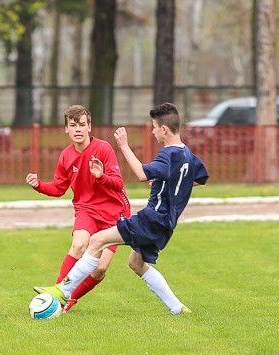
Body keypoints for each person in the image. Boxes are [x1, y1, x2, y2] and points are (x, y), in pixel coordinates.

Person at [36, 102, 208, 315]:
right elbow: (200, 178)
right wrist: (169, 184)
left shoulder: (167, 155)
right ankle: (178, 308)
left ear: (164, 129)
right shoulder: (188, 155)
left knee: (97, 241)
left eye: (154, 127)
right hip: (167, 224)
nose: (153, 132)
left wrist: (124, 145)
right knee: (136, 263)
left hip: (152, 218)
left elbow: (141, 174)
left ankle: (62, 291)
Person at [26, 105, 130, 313]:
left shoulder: (103, 149)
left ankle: (71, 298)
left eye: (82, 125)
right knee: (79, 244)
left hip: (113, 213)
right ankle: (56, 295)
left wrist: (101, 176)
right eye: (73, 125)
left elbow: (118, 183)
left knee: (100, 268)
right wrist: (39, 185)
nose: (78, 129)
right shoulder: (66, 156)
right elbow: (58, 188)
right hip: (86, 209)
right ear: (66, 129)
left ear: (89, 127)